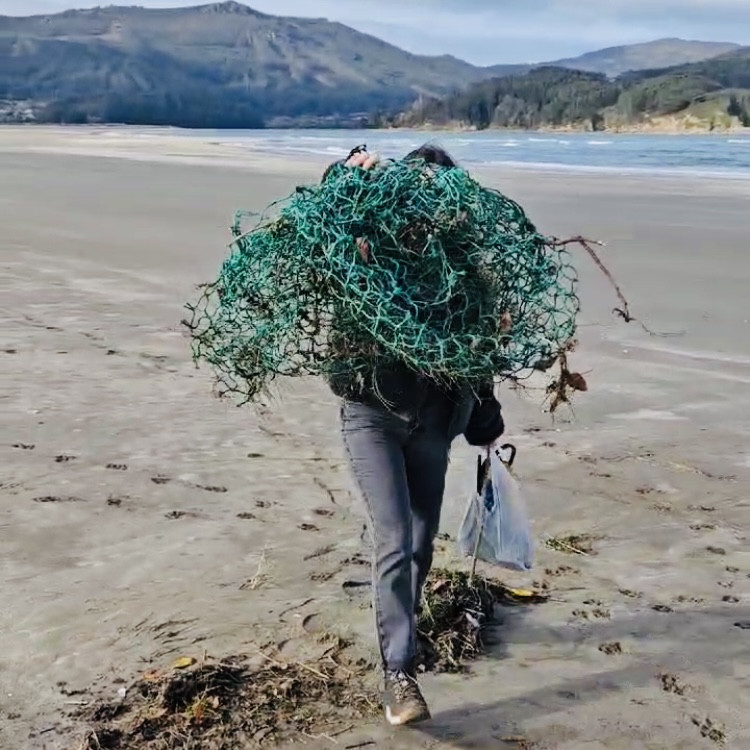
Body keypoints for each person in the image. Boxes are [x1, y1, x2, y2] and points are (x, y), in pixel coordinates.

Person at [323, 144, 506, 726]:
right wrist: (343, 173)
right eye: (420, 192)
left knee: (422, 542)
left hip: (437, 421)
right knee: (396, 540)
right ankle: (398, 673)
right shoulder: (369, 254)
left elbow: (478, 356)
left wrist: (485, 422)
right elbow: (328, 220)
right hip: (372, 416)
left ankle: (403, 632)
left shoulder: (468, 277)